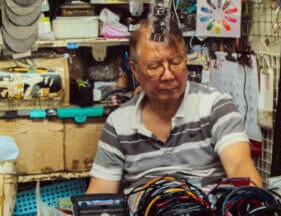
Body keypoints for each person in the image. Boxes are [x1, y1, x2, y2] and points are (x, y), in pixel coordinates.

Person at [87, 17, 263, 198]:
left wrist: (250, 202)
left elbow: (239, 164)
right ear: (135, 70)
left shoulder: (215, 107)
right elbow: (99, 196)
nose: (168, 75)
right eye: (154, 66)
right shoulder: (119, 124)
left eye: (176, 62)